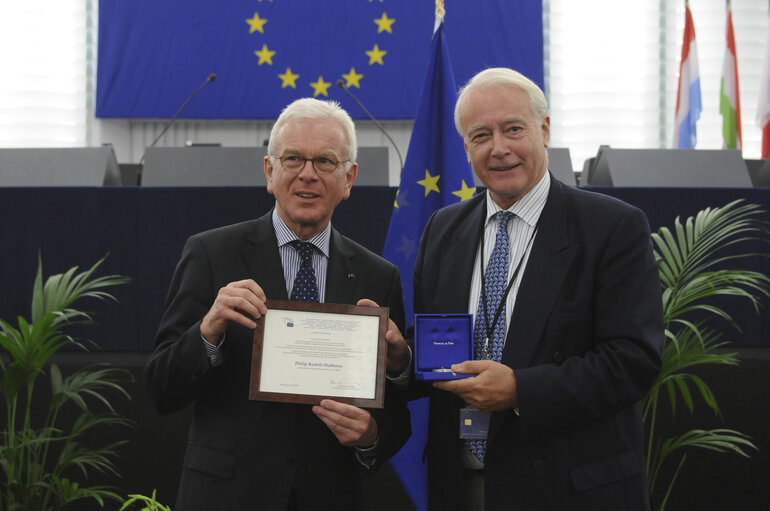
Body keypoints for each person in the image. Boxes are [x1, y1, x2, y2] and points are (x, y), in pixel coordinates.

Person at [408, 68, 664, 510]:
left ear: (544, 130)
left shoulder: (612, 226)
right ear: (466, 149)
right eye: (481, 135)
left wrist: (521, 390)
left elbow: (633, 360)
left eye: (513, 129)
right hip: (460, 486)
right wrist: (397, 357)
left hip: (566, 490)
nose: (499, 148)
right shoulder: (442, 230)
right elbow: (437, 347)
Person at [144, 98, 411, 511]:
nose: (308, 174)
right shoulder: (211, 254)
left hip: (330, 496)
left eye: (325, 161)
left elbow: (396, 415)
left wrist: (372, 434)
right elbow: (161, 388)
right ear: (270, 172)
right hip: (225, 497)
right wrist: (208, 331)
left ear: (349, 178)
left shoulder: (379, 277)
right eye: (293, 159)